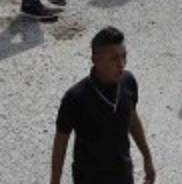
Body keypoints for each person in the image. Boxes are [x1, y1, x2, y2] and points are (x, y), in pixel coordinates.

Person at [51, 26, 156, 183]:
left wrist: (147, 157)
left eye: (124, 56)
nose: (121, 64)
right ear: (95, 59)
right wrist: (55, 181)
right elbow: (61, 143)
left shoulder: (128, 82)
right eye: (114, 59)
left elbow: (132, 119)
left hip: (123, 176)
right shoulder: (75, 98)